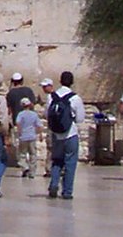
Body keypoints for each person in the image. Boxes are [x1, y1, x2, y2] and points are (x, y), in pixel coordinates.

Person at [46, 71, 83, 200]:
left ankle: (53, 184)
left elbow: (48, 115)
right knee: (70, 163)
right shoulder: (75, 98)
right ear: (72, 82)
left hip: (56, 135)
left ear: (60, 81)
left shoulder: (51, 97)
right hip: (70, 133)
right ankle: (67, 192)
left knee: (56, 161)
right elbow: (80, 119)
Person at [14, 92, 42, 180]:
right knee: (33, 154)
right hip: (32, 136)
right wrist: (40, 134)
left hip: (23, 136)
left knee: (22, 154)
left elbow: (18, 123)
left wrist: (19, 132)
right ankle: (32, 172)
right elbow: (39, 125)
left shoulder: (20, 114)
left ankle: (25, 167)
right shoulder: (34, 114)